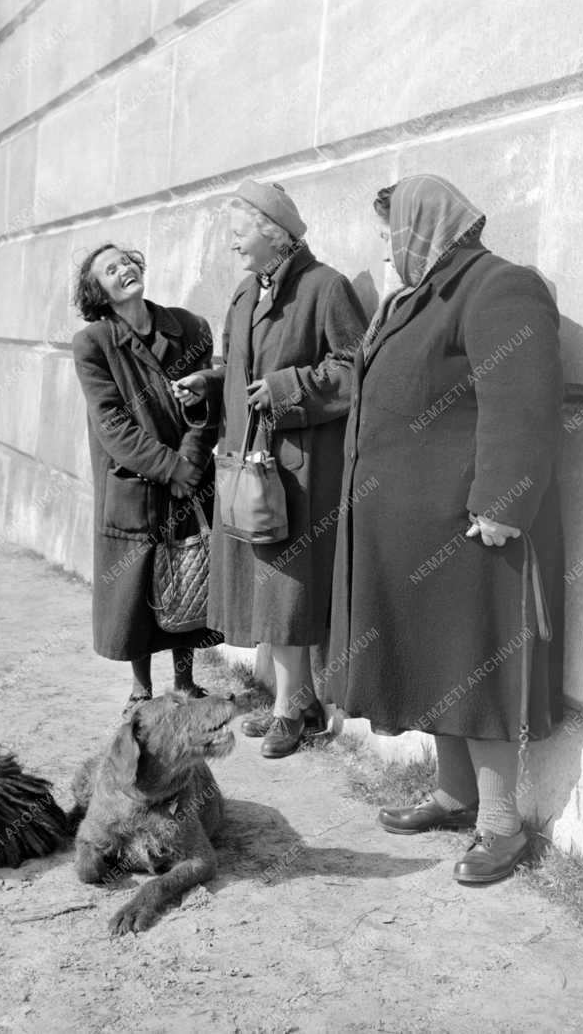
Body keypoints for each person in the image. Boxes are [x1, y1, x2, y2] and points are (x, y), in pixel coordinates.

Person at [327, 174, 564, 883]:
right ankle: (455, 794)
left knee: (475, 664)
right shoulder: (421, 294)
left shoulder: (499, 286)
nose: (382, 244)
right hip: (415, 528)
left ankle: (500, 824)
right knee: (438, 661)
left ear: (421, 226)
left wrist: (500, 502)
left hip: (469, 525)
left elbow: (520, 402)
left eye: (387, 228)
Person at [174, 180, 367, 759]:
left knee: (286, 586)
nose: (232, 246)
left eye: (237, 235)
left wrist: (287, 388)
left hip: (296, 469)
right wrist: (205, 386)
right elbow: (232, 365)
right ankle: (298, 698)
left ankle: (292, 709)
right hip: (246, 464)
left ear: (271, 233)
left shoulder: (324, 287)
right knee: (268, 587)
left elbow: (356, 369)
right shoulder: (243, 294)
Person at [72, 243, 222, 714]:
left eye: (128, 262)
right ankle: (141, 686)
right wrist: (170, 468)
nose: (125, 271)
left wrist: (191, 464)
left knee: (190, 569)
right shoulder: (94, 343)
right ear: (99, 291)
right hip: (133, 481)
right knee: (134, 586)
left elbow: (209, 403)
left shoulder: (191, 327)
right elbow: (111, 423)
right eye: (111, 270)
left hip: (191, 475)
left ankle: (185, 679)